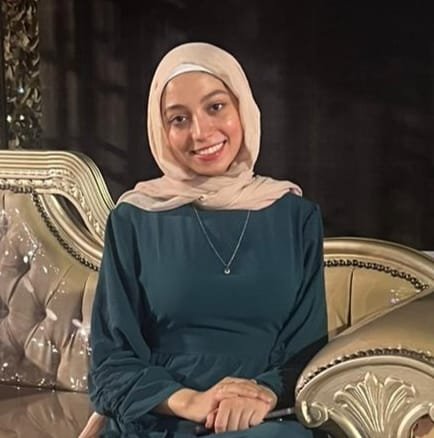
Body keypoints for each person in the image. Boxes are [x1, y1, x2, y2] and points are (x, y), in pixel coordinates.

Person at [87, 42, 328, 437]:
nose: (200, 133)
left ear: (242, 108)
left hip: (264, 418)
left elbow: (309, 352)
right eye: (179, 119)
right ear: (161, 130)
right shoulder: (134, 219)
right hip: (161, 416)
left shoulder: (296, 217)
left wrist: (263, 393)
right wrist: (192, 401)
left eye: (215, 107)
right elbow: (110, 363)